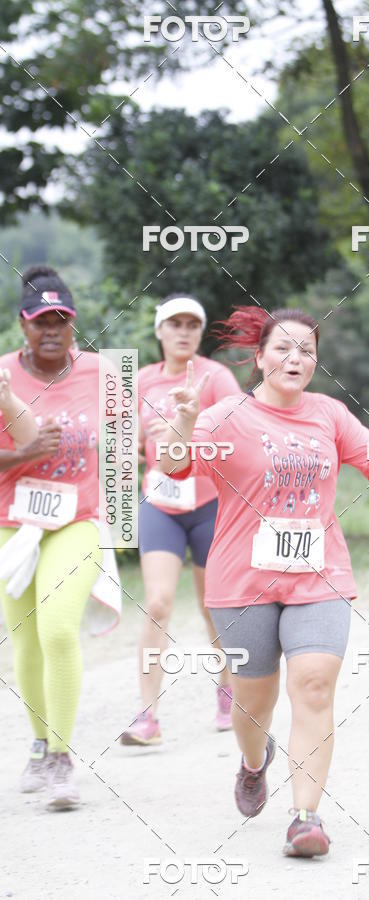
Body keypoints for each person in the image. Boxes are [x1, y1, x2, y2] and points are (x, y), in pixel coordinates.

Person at [158, 306, 369, 857]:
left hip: (320, 574)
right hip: (243, 581)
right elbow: (171, 465)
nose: (295, 358)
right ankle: (253, 763)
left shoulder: (329, 414)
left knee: (312, 685)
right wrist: (185, 421)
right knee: (253, 701)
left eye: (306, 350)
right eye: (282, 348)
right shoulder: (226, 414)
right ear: (259, 358)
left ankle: (306, 817)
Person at [0, 265, 120, 810]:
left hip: (79, 519)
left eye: (61, 321)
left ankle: (62, 760)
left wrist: (119, 533)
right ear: (22, 325)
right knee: (23, 642)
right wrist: (25, 454)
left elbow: (124, 451)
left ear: (74, 326)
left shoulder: (107, 372)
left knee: (56, 628)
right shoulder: (2, 375)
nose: (51, 329)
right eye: (40, 320)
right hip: (13, 522)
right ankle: (38, 743)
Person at [120, 294, 240, 745]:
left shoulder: (216, 377)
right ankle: (148, 715)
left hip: (211, 505)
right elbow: (121, 444)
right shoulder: (143, 382)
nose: (184, 331)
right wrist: (136, 439)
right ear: (159, 331)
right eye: (175, 324)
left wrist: (189, 432)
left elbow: (238, 432)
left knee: (215, 608)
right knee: (158, 603)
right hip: (161, 505)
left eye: (192, 324)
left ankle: (228, 690)